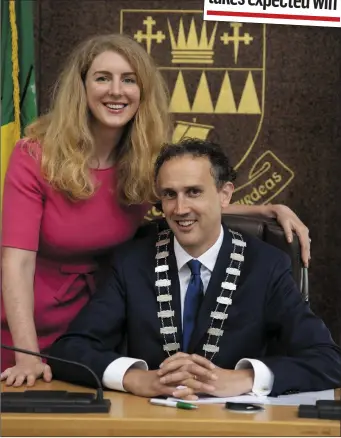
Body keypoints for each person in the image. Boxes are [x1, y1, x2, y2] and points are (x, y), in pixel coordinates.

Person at [1, 34, 310, 387]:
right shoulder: (35, 156)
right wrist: (25, 354)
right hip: (25, 319)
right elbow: (17, 261)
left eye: (129, 79)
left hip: (96, 318)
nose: (116, 91)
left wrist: (266, 210)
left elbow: (187, 203)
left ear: (143, 90)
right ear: (81, 87)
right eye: (103, 77)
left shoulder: (144, 159)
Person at [48, 138, 340, 399]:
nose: (180, 208)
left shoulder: (266, 265)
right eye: (170, 194)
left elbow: (328, 360)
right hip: (148, 424)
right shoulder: (133, 262)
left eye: (194, 192)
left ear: (225, 195)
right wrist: (135, 378)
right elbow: (69, 351)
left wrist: (243, 378)